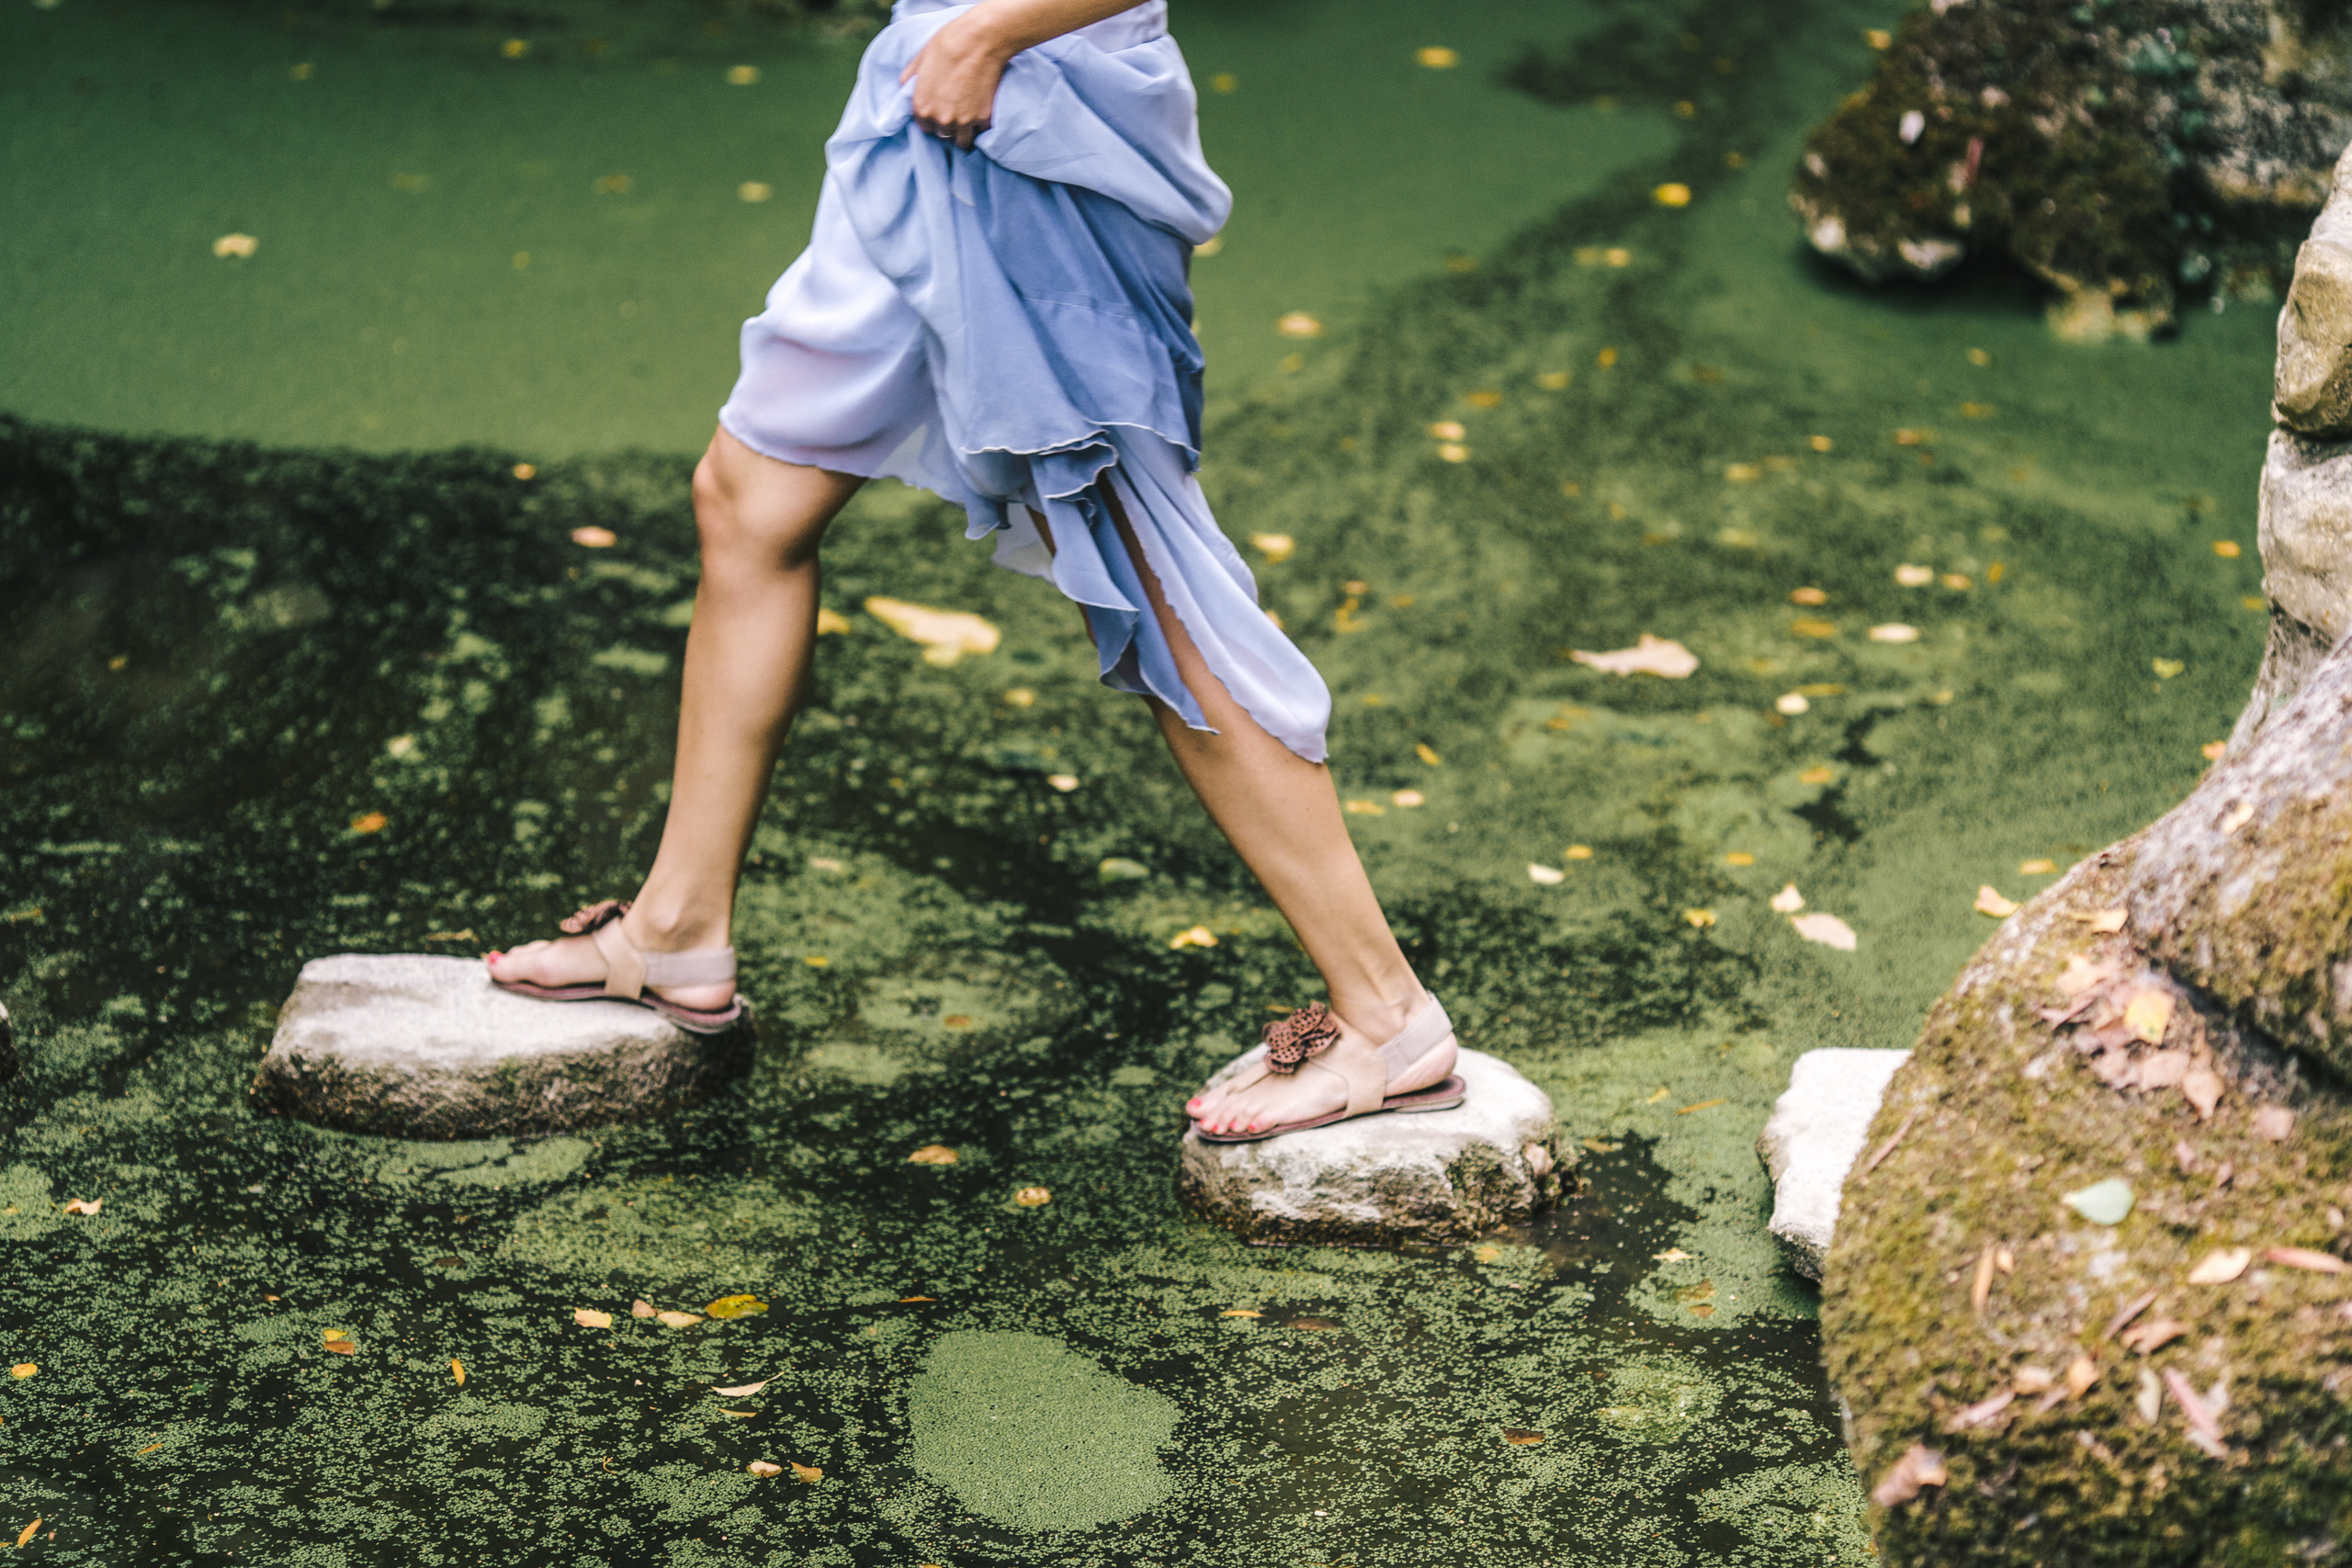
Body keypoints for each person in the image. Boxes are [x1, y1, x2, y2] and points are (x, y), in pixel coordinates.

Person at [484, 0, 1461, 1142]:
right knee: (748, 495)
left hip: (1034, 127)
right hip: (927, 112)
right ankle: (676, 929)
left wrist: (991, 34)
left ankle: (1387, 1013)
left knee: (1143, 570)